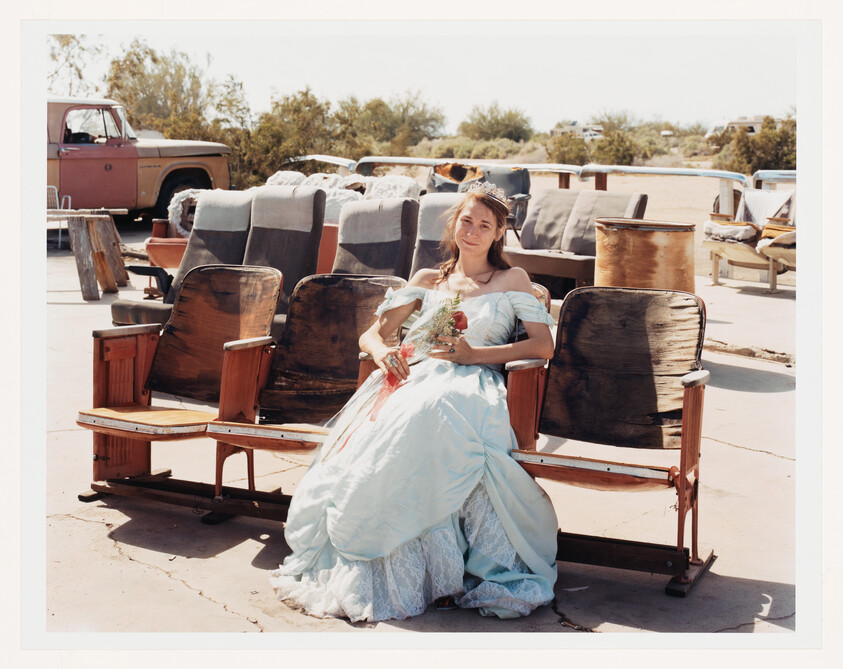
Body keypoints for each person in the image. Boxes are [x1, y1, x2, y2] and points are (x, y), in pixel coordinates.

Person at [269, 181, 560, 622]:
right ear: (453, 222)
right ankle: (399, 564)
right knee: (391, 424)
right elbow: (372, 334)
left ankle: (453, 567)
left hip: (474, 382)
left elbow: (542, 346)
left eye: (485, 225)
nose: (473, 231)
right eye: (466, 220)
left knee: (431, 412)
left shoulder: (511, 279)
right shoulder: (428, 280)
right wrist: (383, 352)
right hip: (418, 373)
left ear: (499, 233)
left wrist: (474, 355)